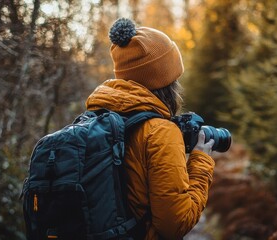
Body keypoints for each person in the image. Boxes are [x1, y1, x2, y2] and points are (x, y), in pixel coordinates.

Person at [85, 18, 215, 239]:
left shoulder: (95, 119)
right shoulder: (160, 132)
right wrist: (200, 161)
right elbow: (175, 224)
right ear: (165, 79)